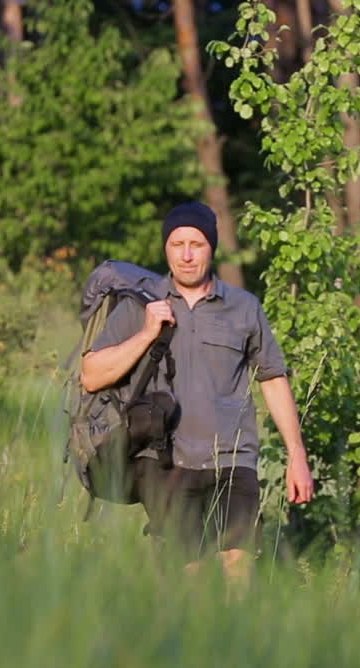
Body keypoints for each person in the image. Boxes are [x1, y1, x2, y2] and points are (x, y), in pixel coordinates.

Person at [80, 201, 314, 586]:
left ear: (212, 248)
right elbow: (91, 375)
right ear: (165, 249)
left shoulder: (244, 307)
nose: (186, 255)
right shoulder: (139, 304)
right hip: (167, 464)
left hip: (233, 460)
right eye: (177, 244)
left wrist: (297, 455)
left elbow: (273, 379)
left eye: (197, 244)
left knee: (238, 577)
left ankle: (237, 644)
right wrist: (146, 333)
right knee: (188, 586)